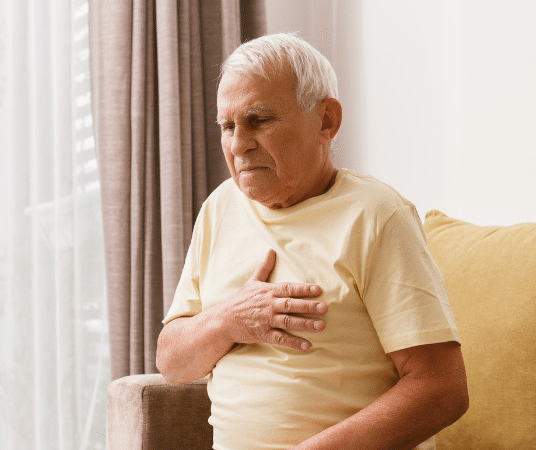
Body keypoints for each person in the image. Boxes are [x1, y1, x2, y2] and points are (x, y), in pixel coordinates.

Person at [155, 33, 468, 450]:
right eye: (228, 126)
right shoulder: (218, 209)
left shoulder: (377, 215)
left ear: (326, 121)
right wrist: (229, 319)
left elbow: (441, 389)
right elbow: (172, 363)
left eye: (259, 120)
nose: (238, 144)